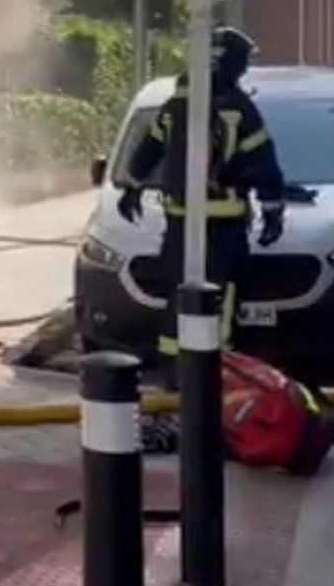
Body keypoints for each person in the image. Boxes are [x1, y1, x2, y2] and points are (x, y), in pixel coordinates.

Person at [118, 26, 287, 373]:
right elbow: (264, 163)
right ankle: (216, 373)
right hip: (224, 225)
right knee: (220, 299)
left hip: (180, 221)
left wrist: (131, 188)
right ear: (235, 63)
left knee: (178, 296)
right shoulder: (239, 109)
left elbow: (147, 152)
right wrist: (273, 212)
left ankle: (173, 372)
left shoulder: (176, 105)